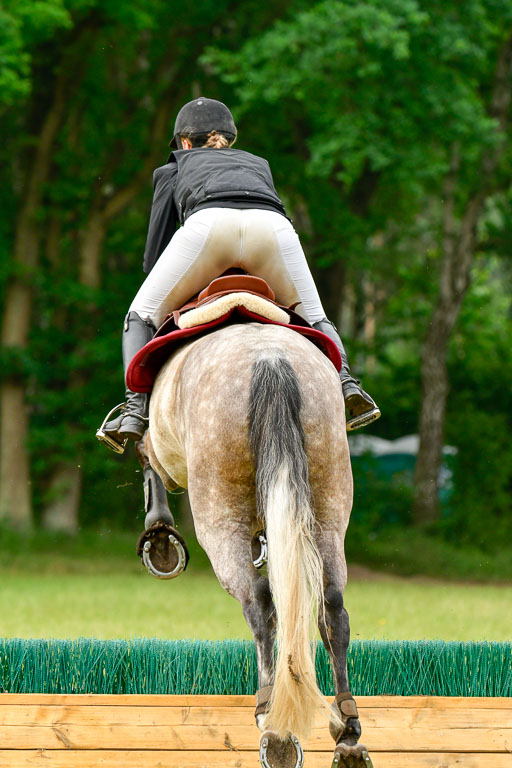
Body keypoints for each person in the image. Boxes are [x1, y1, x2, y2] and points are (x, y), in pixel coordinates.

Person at [97, 98, 380, 453]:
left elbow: (155, 254)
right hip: (273, 231)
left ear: (185, 142)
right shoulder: (258, 164)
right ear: (229, 140)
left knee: (139, 314)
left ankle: (134, 411)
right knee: (315, 315)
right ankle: (349, 385)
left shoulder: (175, 166)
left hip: (208, 227)